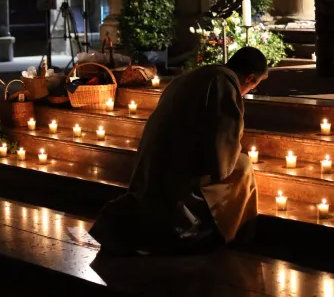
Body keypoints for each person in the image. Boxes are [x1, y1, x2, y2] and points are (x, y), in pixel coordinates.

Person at [90, 47, 269, 256]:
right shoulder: (224, 83)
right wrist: (228, 161)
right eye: (254, 85)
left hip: (152, 164)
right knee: (243, 166)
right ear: (250, 78)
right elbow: (223, 143)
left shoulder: (193, 76)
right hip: (178, 176)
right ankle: (227, 233)